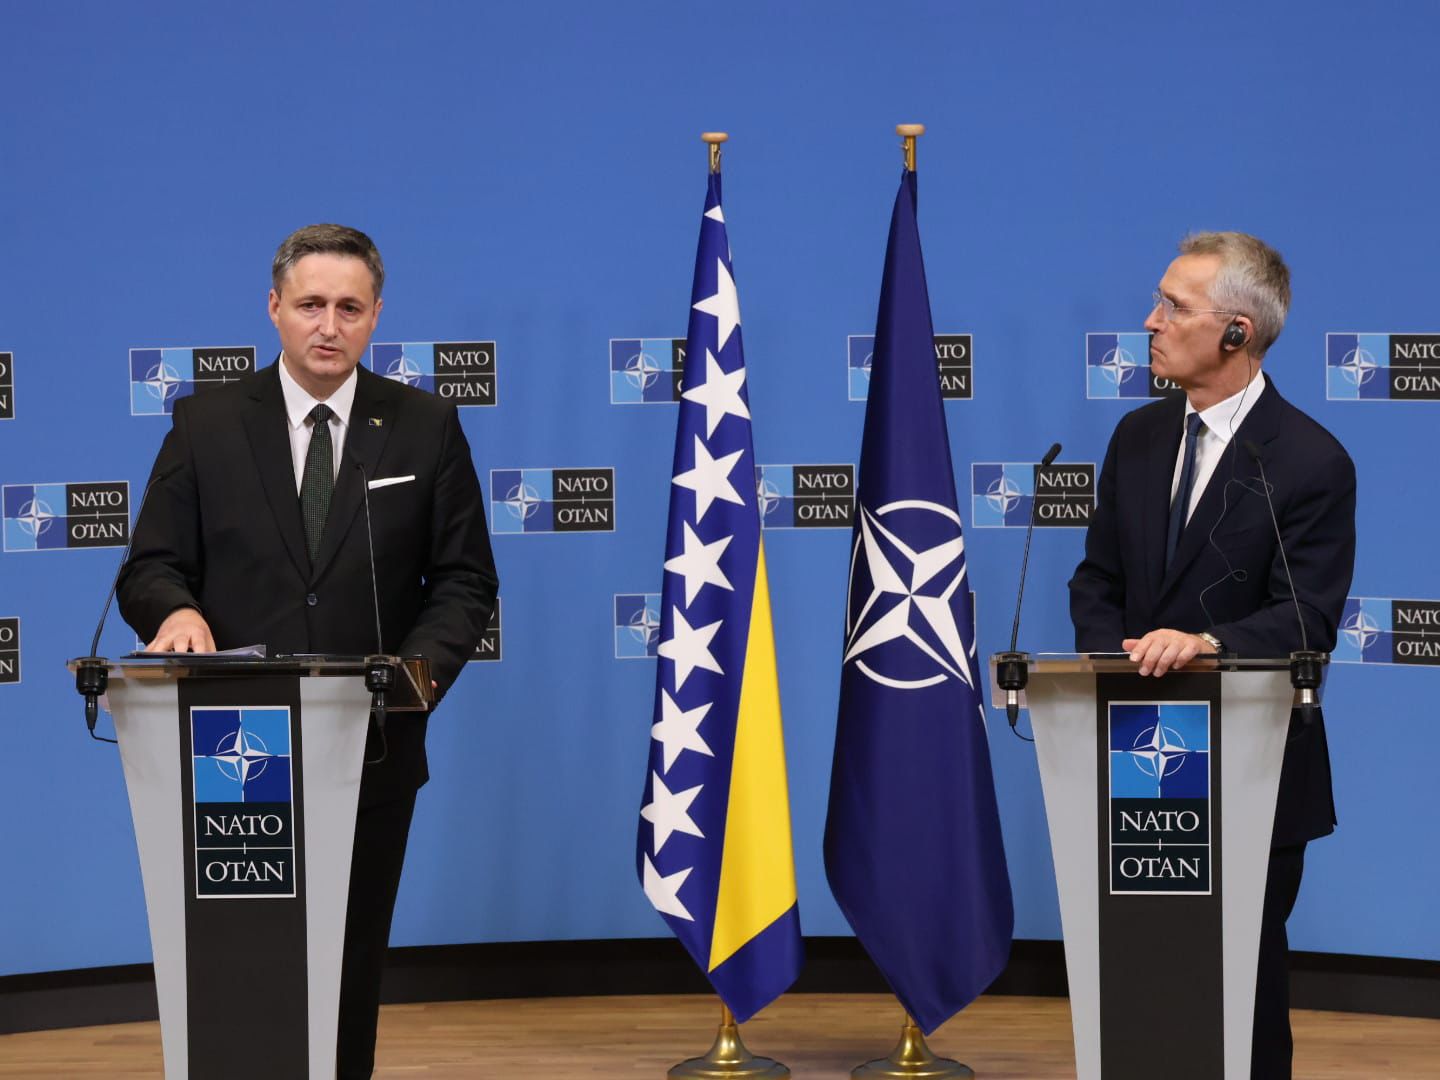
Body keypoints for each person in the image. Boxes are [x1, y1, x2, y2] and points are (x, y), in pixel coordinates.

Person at [117, 223, 498, 1079]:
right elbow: (150, 566)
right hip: (234, 746)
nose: (329, 326)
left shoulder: (426, 426)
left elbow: (466, 581)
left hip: (371, 744)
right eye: (311, 305)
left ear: (376, 316)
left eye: (350, 308)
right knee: (240, 964)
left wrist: (414, 675)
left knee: (348, 966)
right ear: (274, 308)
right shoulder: (208, 424)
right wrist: (176, 610)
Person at [1069, 231, 1355, 1079]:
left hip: (1251, 765)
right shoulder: (1136, 438)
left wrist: (1206, 645)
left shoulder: (1310, 460)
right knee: (1143, 980)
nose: (1149, 322)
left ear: (1237, 332)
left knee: (1240, 986)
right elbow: (1096, 581)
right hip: (1138, 752)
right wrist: (1119, 662)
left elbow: (1307, 617)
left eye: (1174, 306)